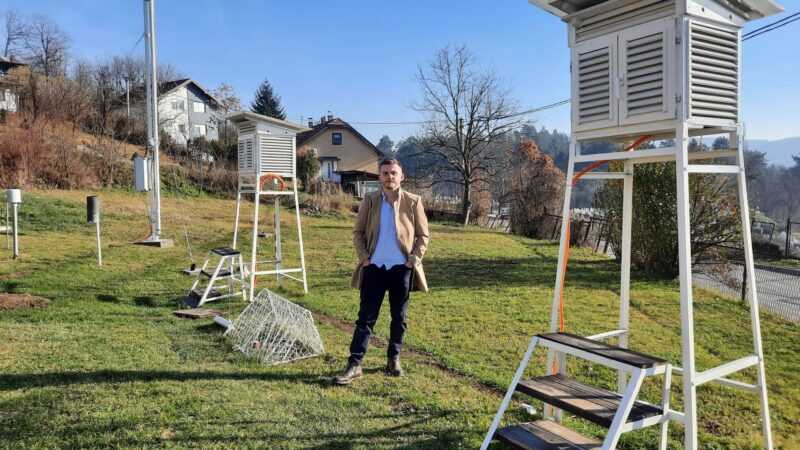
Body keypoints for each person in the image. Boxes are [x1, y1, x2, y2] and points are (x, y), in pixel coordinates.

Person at [334, 158, 430, 385]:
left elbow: (423, 235)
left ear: (401, 176)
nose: (389, 177)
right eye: (385, 173)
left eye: (393, 173)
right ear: (380, 176)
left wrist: (413, 259)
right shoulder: (370, 200)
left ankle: (393, 359)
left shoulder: (413, 201)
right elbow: (358, 233)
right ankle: (355, 364)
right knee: (365, 319)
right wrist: (364, 258)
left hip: (401, 269)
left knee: (399, 318)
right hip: (374, 268)